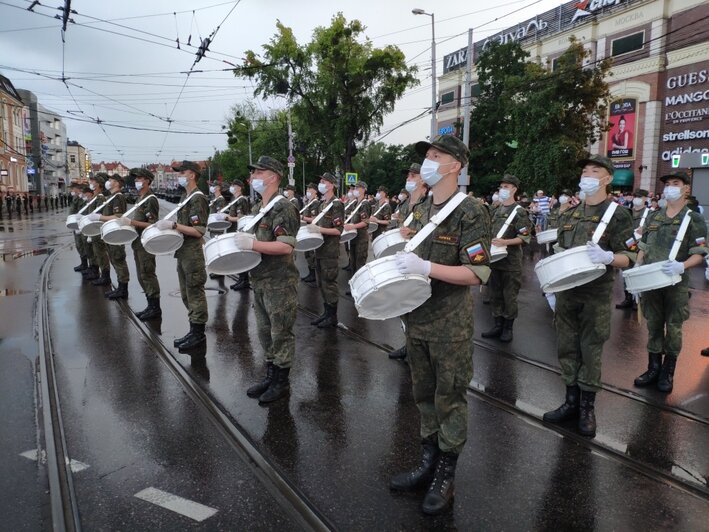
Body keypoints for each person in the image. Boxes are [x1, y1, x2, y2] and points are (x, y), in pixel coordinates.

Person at [389, 135, 491, 516]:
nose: (427, 162)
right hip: (415, 318)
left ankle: (446, 475)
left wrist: (428, 267)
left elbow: (479, 271)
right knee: (423, 396)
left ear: (455, 166)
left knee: (448, 399)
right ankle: (428, 463)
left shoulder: (471, 211)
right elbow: (407, 251)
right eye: (427, 156)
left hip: (449, 325)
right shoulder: (420, 209)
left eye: (436, 156)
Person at [542, 155, 636, 438]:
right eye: (585, 171)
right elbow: (560, 249)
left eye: (595, 171)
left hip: (595, 294)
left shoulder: (618, 214)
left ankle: (587, 408)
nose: (588, 176)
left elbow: (630, 255)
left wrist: (609, 257)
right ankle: (570, 402)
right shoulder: (569, 214)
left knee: (590, 350)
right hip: (567, 291)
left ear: (607, 178)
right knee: (567, 347)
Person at [633, 172, 708, 393]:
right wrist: (637, 266)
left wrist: (682, 266)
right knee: (654, 324)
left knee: (673, 327)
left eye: (676, 184)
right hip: (651, 281)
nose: (670, 187)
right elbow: (644, 246)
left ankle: (668, 371)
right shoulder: (654, 216)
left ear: (686, 189)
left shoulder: (693, 218)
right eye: (667, 184)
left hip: (675, 281)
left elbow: (701, 251)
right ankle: (653, 368)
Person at [238, 155, 300, 403]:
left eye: (258, 173)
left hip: (280, 283)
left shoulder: (283, 207)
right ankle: (271, 375)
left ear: (273, 177)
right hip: (261, 280)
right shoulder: (258, 208)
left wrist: (252, 244)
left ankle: (281, 382)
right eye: (253, 173)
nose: (253, 177)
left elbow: (286, 247)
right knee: (265, 332)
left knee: (280, 333)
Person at [159, 161, 209, 351]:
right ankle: (193, 329)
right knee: (187, 293)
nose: (179, 175)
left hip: (193, 252)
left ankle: (198, 335)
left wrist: (173, 226)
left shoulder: (198, 199)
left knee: (195, 292)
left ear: (192, 175)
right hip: (183, 251)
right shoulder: (185, 196)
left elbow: (199, 230)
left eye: (182, 172)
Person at [481, 175, 531, 343]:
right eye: (501, 186)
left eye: (507, 186)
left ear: (514, 189)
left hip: (511, 261)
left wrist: (505, 242)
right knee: (495, 294)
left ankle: (508, 328)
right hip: (494, 260)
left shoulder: (520, 212)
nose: (503, 189)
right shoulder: (495, 210)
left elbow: (524, 237)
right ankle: (497, 324)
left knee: (509, 296)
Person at [388, 163, 427, 361]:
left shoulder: (429, 203)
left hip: (421, 259)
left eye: (413, 176)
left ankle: (419, 349)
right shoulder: (404, 205)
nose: (409, 179)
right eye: (408, 176)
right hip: (403, 256)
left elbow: (436, 232)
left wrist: (412, 232)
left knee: (419, 304)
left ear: (422, 179)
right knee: (403, 303)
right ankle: (408, 343)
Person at [308, 172, 344, 328]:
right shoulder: (323, 204)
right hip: (319, 249)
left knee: (329, 283)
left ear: (331, 184)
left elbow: (338, 230)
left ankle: (333, 316)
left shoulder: (336, 204)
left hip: (330, 251)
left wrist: (319, 230)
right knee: (321, 283)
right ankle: (326, 312)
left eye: (324, 181)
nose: (321, 183)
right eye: (321, 180)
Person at [126, 168, 162, 320]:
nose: (136, 181)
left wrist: (132, 222)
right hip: (137, 242)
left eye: (140, 178)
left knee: (147, 273)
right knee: (141, 275)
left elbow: (153, 224)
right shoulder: (139, 198)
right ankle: (150, 304)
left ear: (147, 181)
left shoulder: (150, 199)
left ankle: (155, 307)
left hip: (146, 243)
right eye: (135, 179)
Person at [92, 174, 131, 299]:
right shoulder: (112, 197)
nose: (108, 182)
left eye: (111, 180)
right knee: (114, 259)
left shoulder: (118, 197)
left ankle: (123, 289)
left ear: (117, 183)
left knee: (119, 260)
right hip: (110, 233)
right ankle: (120, 288)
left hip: (116, 234)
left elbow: (118, 216)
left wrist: (100, 217)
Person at [617, 188, 650, 309]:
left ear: (645, 199)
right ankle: (628, 298)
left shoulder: (649, 213)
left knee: (639, 273)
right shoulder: (627, 212)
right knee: (626, 274)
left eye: (640, 197)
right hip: (627, 247)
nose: (637, 199)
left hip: (641, 248)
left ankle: (638, 300)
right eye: (635, 196)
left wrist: (646, 230)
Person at [82, 173, 112, 285]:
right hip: (93, 229)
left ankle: (105, 275)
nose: (91, 183)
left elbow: (100, 214)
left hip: (97, 229)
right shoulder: (95, 197)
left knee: (100, 253)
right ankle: (95, 270)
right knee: (96, 252)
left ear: (98, 184)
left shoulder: (100, 198)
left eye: (93, 181)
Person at [224, 179, 251, 291]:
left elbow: (241, 217)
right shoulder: (234, 199)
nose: (232, 187)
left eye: (234, 185)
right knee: (237, 256)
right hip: (233, 230)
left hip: (238, 230)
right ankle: (240, 279)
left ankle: (244, 280)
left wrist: (228, 218)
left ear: (239, 187)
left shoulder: (241, 200)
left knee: (241, 256)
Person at [343, 180, 371, 275]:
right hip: (354, 236)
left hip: (361, 238)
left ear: (364, 190)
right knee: (353, 263)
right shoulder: (355, 203)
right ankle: (353, 287)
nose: (355, 190)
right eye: (355, 188)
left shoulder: (365, 204)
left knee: (360, 265)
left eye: (357, 188)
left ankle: (360, 288)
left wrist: (352, 226)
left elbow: (365, 222)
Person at [300, 182, 321, 283]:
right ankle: (310, 273)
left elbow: (314, 219)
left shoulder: (315, 203)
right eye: (307, 188)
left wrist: (302, 218)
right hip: (306, 230)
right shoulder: (309, 202)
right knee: (307, 253)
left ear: (315, 191)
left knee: (311, 253)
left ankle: (313, 274)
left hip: (311, 230)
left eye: (310, 189)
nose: (307, 190)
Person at [68, 183, 88, 273]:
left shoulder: (83, 198)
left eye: (73, 189)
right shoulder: (75, 198)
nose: (71, 191)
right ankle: (83, 263)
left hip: (82, 224)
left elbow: (85, 210)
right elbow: (72, 210)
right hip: (76, 223)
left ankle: (88, 266)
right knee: (79, 244)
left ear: (78, 189)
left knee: (85, 245)